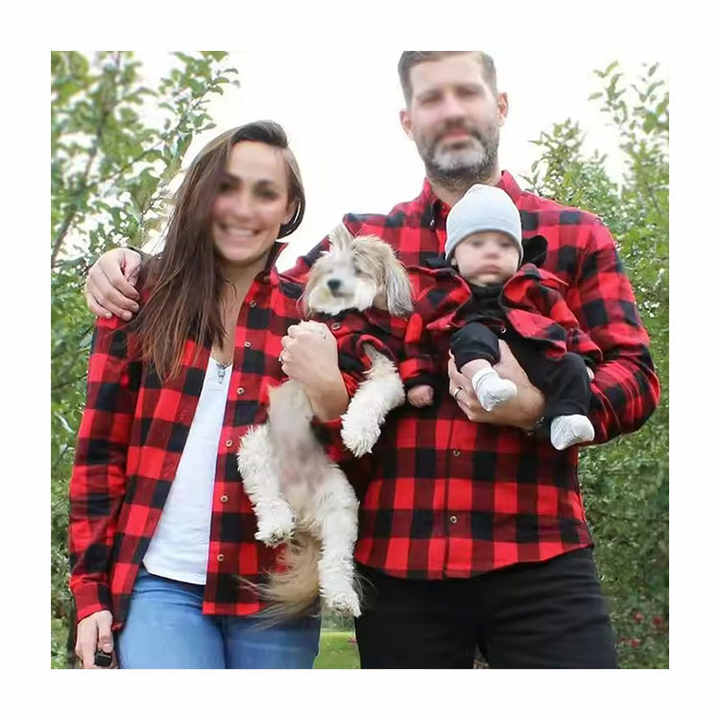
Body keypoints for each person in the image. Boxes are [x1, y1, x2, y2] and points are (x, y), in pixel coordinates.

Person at [85, 51, 660, 668]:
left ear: (499, 105)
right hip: (400, 566)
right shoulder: (368, 240)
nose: (451, 111)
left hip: (539, 554)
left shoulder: (575, 233)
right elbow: (262, 294)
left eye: (466, 92)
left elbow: (635, 375)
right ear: (408, 121)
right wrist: (133, 265)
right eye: (431, 98)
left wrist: (538, 409)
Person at [69, 120, 351, 669]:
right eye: (228, 187)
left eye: (265, 193)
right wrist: (89, 595)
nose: (243, 209)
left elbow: (340, 465)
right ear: (202, 193)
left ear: (288, 208)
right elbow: (100, 454)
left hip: (274, 591)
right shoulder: (139, 298)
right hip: (158, 585)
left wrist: (332, 395)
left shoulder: (314, 317)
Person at [403, 183, 598, 452]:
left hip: (532, 358)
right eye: (477, 243)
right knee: (472, 333)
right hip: (469, 354)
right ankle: (485, 381)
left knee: (571, 365)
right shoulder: (439, 294)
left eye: (505, 245)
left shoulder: (537, 290)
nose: (493, 251)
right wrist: (418, 378)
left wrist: (584, 359)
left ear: (519, 256)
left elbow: (568, 326)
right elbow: (415, 339)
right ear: (454, 257)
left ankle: (568, 419)